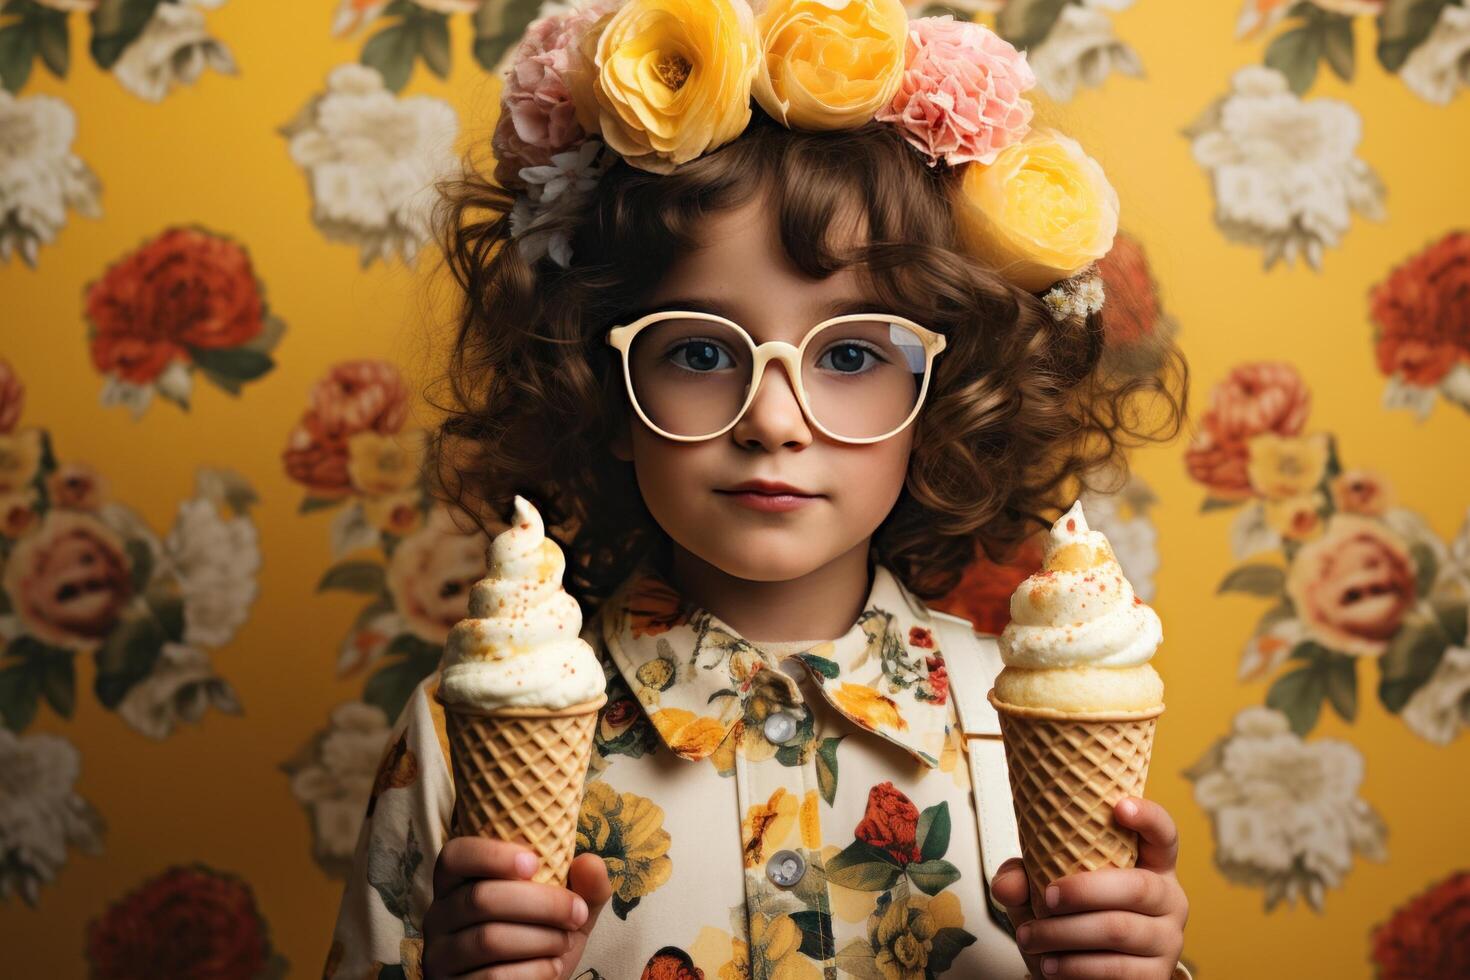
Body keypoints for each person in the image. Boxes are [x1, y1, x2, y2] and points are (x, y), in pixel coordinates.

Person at [323, 2, 1192, 978]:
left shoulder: (1023, 721)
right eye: (698, 350)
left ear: (935, 397)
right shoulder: (461, 734)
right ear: (601, 388)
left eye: (853, 352)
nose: (773, 419)